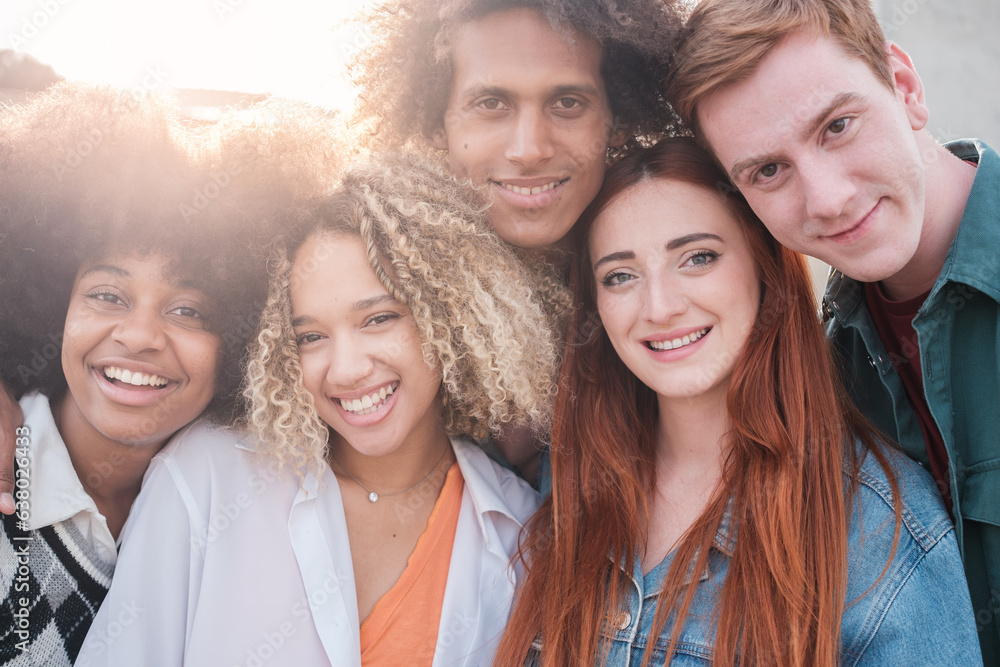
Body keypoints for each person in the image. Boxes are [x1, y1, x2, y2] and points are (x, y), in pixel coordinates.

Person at [494, 137, 982, 666]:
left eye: (698, 257)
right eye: (620, 276)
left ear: (763, 266)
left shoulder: (878, 530)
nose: (659, 307)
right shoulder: (566, 476)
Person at [77, 153, 562, 666]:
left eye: (378, 319)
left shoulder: (520, 529)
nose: (347, 369)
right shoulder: (208, 474)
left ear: (451, 315)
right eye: (309, 336)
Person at [666, 0, 999, 660]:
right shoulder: (826, 368)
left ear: (905, 89)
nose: (827, 199)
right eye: (768, 170)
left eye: (838, 126)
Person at [0, 83, 270, 666]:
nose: (141, 335)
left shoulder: (244, 508)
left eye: (188, 310)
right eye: (107, 294)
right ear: (52, 305)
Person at [351, 0, 685, 253]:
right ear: (437, 124)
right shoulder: (371, 271)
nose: (529, 151)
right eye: (491, 104)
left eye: (567, 103)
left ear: (619, 122)